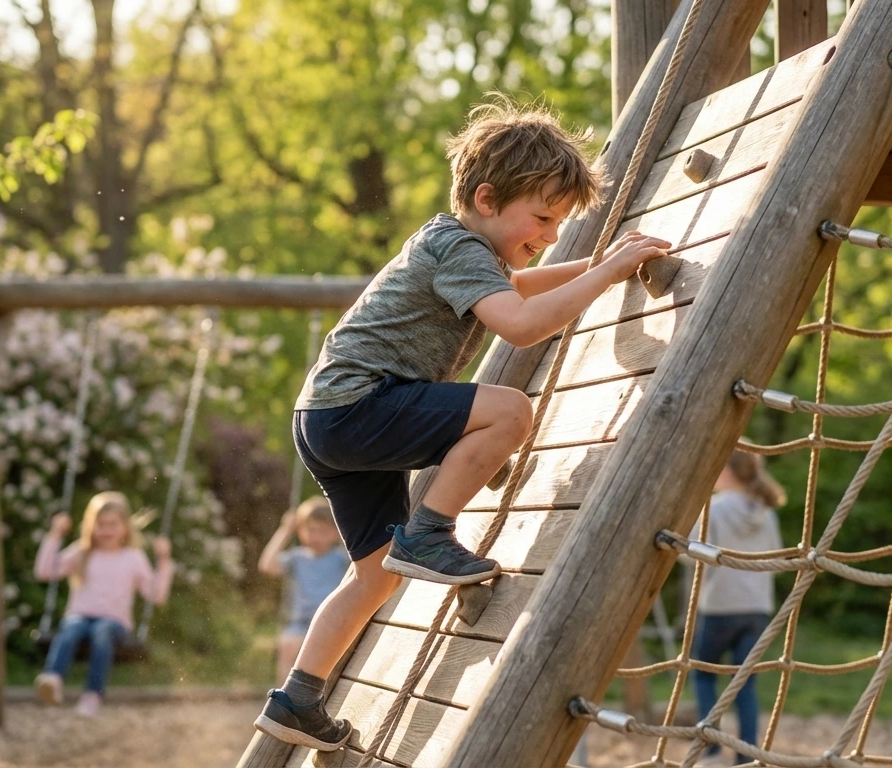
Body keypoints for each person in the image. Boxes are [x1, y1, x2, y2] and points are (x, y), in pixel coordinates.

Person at [253, 98, 672, 751]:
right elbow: (521, 324)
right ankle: (428, 534)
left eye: (557, 223)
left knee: (374, 575)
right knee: (509, 410)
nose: (550, 235)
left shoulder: (459, 248)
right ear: (485, 198)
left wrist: (602, 267)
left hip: (327, 419)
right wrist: (608, 272)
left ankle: (297, 698)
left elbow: (521, 289)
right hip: (360, 406)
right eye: (542, 218)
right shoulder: (458, 246)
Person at [32, 491, 174, 717]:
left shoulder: (133, 558)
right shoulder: (82, 552)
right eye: (100, 524)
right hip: (80, 617)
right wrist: (55, 534)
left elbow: (157, 596)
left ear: (125, 527)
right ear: (91, 526)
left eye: (113, 524)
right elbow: (44, 571)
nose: (106, 530)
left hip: (114, 624)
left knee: (102, 630)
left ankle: (92, 695)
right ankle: (53, 679)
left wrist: (164, 560)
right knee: (72, 626)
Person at [689, 450, 785, 766]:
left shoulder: (715, 509)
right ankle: (746, 756)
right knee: (744, 682)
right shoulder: (766, 512)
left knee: (703, 675)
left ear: (728, 471)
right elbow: (776, 558)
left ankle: (711, 748)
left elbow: (691, 552)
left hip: (720, 605)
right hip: (756, 607)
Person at [258, 496, 351, 682]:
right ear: (299, 531)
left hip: (331, 622)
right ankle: (284, 692)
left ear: (336, 532)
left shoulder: (341, 559)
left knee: (334, 652)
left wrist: (346, 526)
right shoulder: (296, 559)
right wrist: (285, 530)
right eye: (310, 530)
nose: (316, 537)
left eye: (323, 531)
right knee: (288, 646)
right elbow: (267, 566)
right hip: (300, 624)